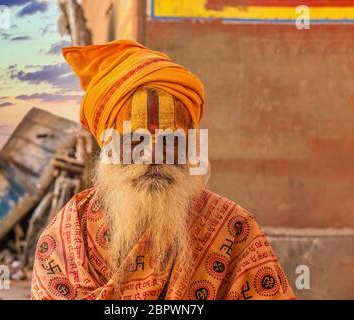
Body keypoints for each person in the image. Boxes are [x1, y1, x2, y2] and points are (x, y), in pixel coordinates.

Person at [31, 40, 295, 300]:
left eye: (170, 142)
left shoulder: (232, 227)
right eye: (135, 141)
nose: (152, 156)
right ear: (109, 148)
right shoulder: (68, 232)